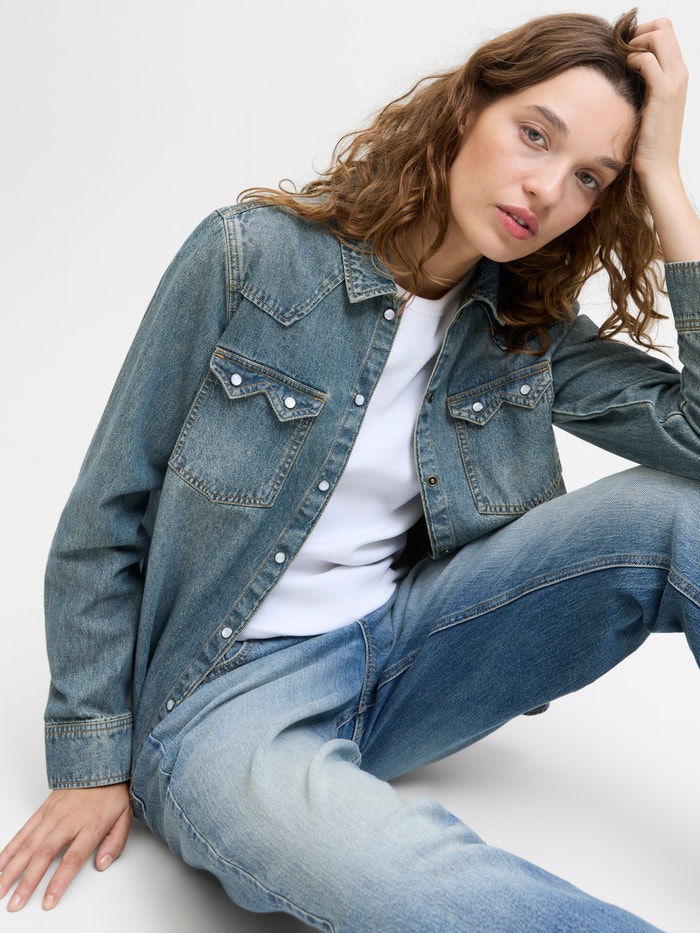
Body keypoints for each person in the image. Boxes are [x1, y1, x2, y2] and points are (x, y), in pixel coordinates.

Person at [0, 8, 698, 930]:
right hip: (223, 702)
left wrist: (664, 179)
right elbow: (106, 511)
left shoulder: (523, 332)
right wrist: (91, 758)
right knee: (418, 885)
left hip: (410, 658)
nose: (546, 189)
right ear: (466, 108)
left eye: (589, 178)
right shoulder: (251, 258)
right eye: (536, 134)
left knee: (678, 515)